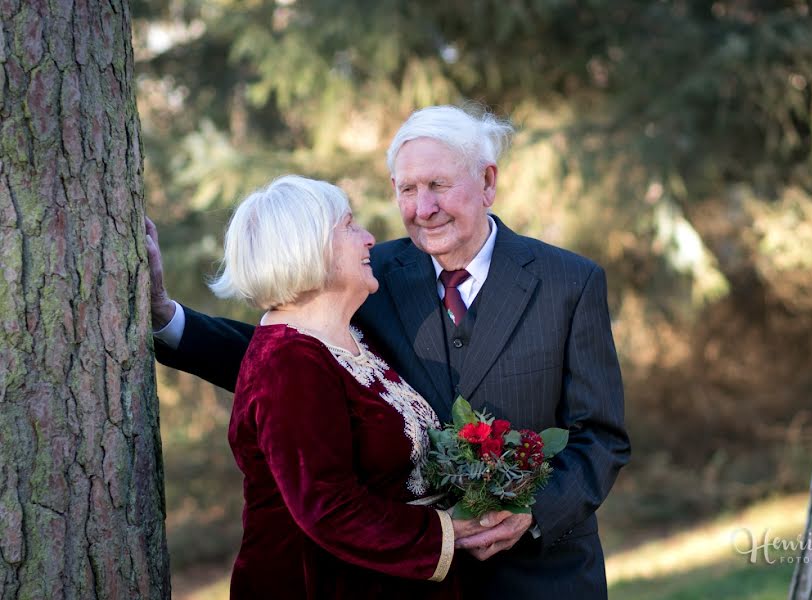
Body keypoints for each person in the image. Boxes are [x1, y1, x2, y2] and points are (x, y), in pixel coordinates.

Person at [150, 106, 630, 599]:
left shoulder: (568, 283)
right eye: (407, 189)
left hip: (542, 576)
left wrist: (533, 513)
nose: (423, 209)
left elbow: (600, 436)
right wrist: (169, 322)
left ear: (487, 181)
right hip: (411, 575)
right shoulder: (366, 274)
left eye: (438, 185)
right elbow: (291, 365)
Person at [183, 174, 484, 599]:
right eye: (349, 225)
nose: (369, 238)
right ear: (308, 247)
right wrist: (447, 533)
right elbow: (328, 506)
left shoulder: (351, 337)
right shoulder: (287, 361)